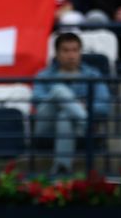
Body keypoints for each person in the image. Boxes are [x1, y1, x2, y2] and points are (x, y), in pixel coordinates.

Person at [33, 32, 111, 175]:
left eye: (75, 50)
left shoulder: (93, 75)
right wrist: (71, 104)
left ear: (80, 52)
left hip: (74, 128)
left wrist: (82, 107)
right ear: (56, 53)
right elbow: (38, 104)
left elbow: (105, 106)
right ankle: (84, 120)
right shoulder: (43, 75)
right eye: (66, 50)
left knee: (64, 117)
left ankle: (62, 170)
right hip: (47, 127)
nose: (71, 55)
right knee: (59, 91)